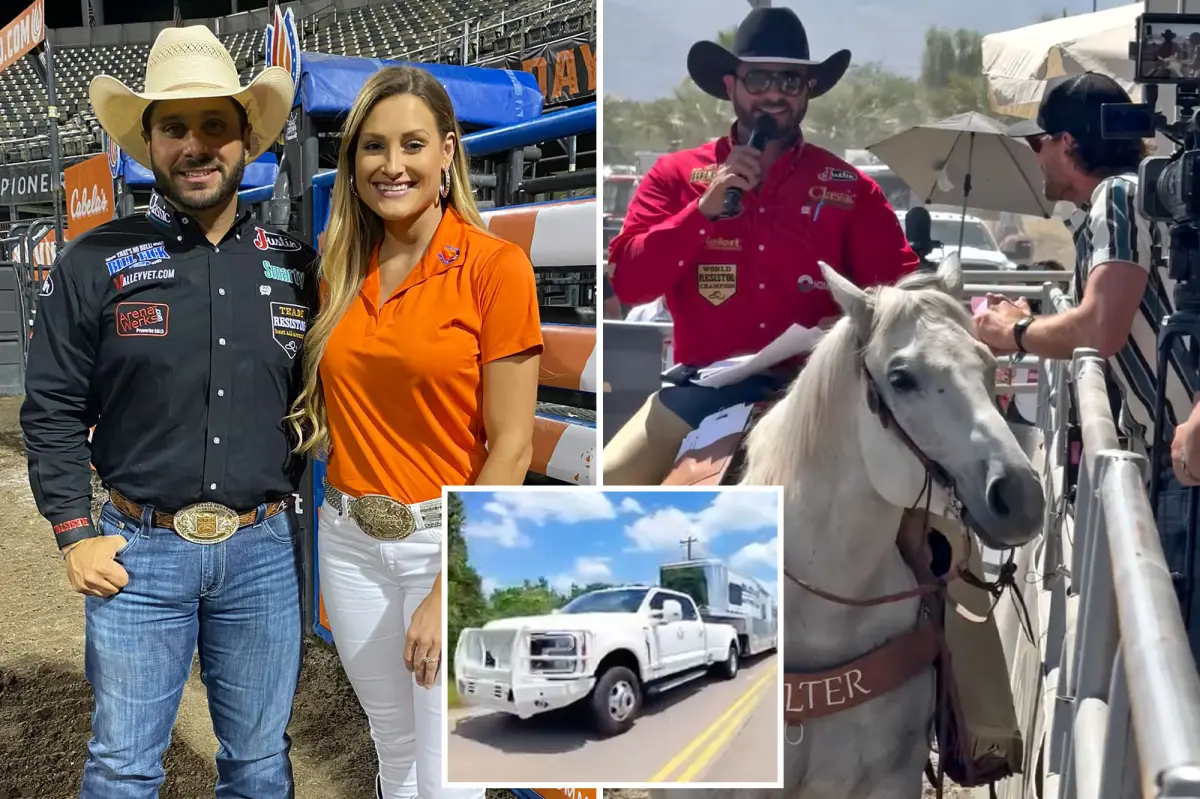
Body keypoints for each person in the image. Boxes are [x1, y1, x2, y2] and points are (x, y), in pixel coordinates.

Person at [20, 26, 311, 797]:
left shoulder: (295, 266)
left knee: (259, 763)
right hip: (137, 552)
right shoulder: (93, 261)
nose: (196, 145)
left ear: (246, 137)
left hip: (262, 552)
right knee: (122, 767)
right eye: (175, 127)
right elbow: (48, 407)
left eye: (215, 124)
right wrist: (75, 534)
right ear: (147, 142)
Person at [286, 65, 540, 799]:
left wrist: (446, 584)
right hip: (350, 538)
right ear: (352, 161)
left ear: (448, 152)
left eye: (412, 144)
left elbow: (513, 446)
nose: (391, 165)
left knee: (449, 773)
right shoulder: (337, 269)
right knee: (393, 754)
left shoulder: (496, 268)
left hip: (443, 541)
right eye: (372, 146)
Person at [602, 6, 919, 485]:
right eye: (759, 80)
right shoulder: (675, 176)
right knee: (609, 478)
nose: (774, 94)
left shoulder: (850, 188)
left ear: (808, 89)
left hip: (825, 389)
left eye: (790, 82)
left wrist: (861, 321)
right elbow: (629, 282)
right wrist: (701, 213)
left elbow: (903, 294)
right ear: (731, 86)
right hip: (702, 391)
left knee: (929, 497)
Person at [974, 71, 1200, 654]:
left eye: (1038, 141)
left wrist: (1014, 331)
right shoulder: (1134, 193)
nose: (1036, 156)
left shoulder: (1118, 198)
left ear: (1068, 145)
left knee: (1175, 656)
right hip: (1177, 458)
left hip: (1187, 466)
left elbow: (1101, 326)